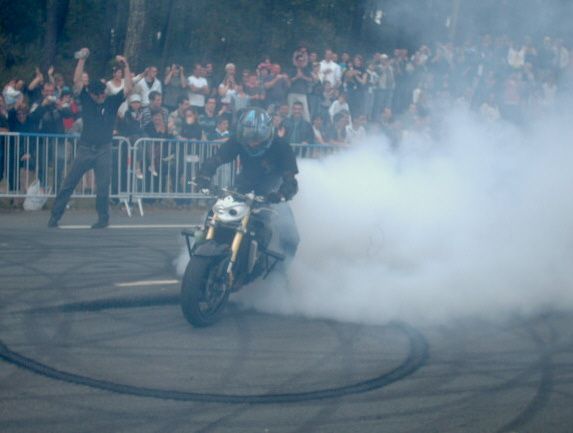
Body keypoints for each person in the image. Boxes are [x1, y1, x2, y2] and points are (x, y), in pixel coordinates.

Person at [195, 106, 300, 257]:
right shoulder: (238, 141)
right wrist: (204, 175)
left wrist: (281, 194)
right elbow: (217, 158)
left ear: (267, 134)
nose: (253, 143)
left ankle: (281, 277)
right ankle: (200, 247)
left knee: (291, 238)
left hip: (271, 193)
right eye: (249, 138)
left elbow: (291, 180)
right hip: (242, 188)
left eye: (257, 138)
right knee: (214, 215)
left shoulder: (282, 147)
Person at [48, 49, 132, 229]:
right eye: (98, 95)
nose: (101, 97)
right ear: (92, 94)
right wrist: (82, 60)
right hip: (85, 148)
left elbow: (128, 88)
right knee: (69, 183)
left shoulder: (111, 101)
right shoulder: (86, 98)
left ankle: (103, 218)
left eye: (103, 94)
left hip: (104, 149)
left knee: (103, 187)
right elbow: (77, 81)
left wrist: (126, 65)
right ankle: (55, 216)